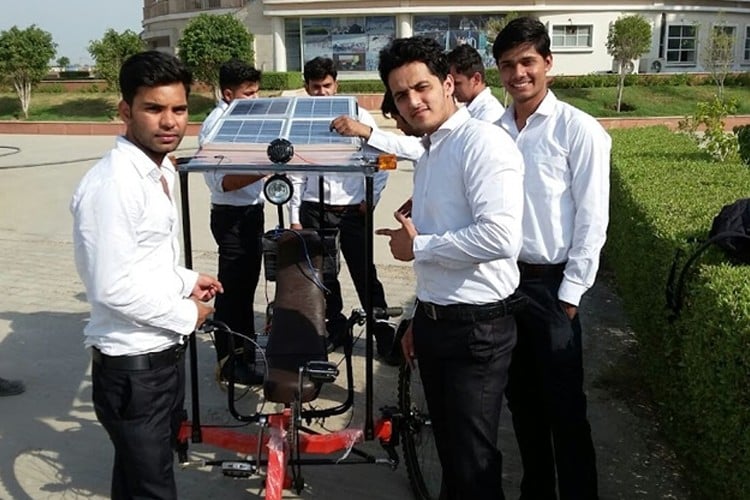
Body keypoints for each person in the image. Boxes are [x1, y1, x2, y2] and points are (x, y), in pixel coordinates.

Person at [375, 37, 525, 499]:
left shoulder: (483, 143)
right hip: (438, 322)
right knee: (452, 452)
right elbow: (441, 239)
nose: (413, 102)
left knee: (472, 462)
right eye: (401, 94)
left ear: (447, 84)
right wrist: (417, 316)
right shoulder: (431, 150)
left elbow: (500, 237)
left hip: (476, 329)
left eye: (421, 87)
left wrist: (418, 246)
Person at [70, 51, 221, 500]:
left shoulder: (159, 169)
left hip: (159, 360)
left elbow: (145, 259)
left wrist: (184, 280)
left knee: (137, 482)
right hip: (134, 371)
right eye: (153, 108)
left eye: (179, 109)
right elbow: (111, 287)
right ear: (125, 111)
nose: (169, 121)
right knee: (153, 489)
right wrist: (187, 314)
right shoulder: (115, 185)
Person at [493, 17, 611, 500]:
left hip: (552, 286)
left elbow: (592, 216)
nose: (518, 73)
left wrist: (571, 293)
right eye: (507, 65)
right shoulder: (494, 131)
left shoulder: (578, 130)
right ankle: (536, 491)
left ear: (548, 63)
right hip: (504, 283)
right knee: (521, 403)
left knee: (565, 408)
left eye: (527, 62)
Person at [289, 56, 400, 365]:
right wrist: (295, 217)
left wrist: (371, 198)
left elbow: (383, 160)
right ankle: (335, 328)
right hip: (314, 208)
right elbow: (295, 172)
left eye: (327, 85)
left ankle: (383, 334)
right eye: (316, 87)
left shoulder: (359, 116)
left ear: (336, 84)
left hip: (354, 210)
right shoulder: (302, 121)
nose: (322, 92)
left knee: (365, 274)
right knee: (324, 276)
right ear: (307, 88)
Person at [200, 59, 265, 386]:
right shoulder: (217, 125)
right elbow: (220, 181)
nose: (255, 99)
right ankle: (230, 362)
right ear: (228, 94)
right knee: (233, 292)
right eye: (248, 93)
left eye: (257, 92)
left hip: (251, 213)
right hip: (231, 218)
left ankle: (246, 353)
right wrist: (266, 169)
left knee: (245, 289)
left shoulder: (244, 118)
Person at [447, 43, 505, 123]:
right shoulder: (470, 108)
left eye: (457, 83)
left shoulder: (490, 115)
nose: (452, 89)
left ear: (476, 79)